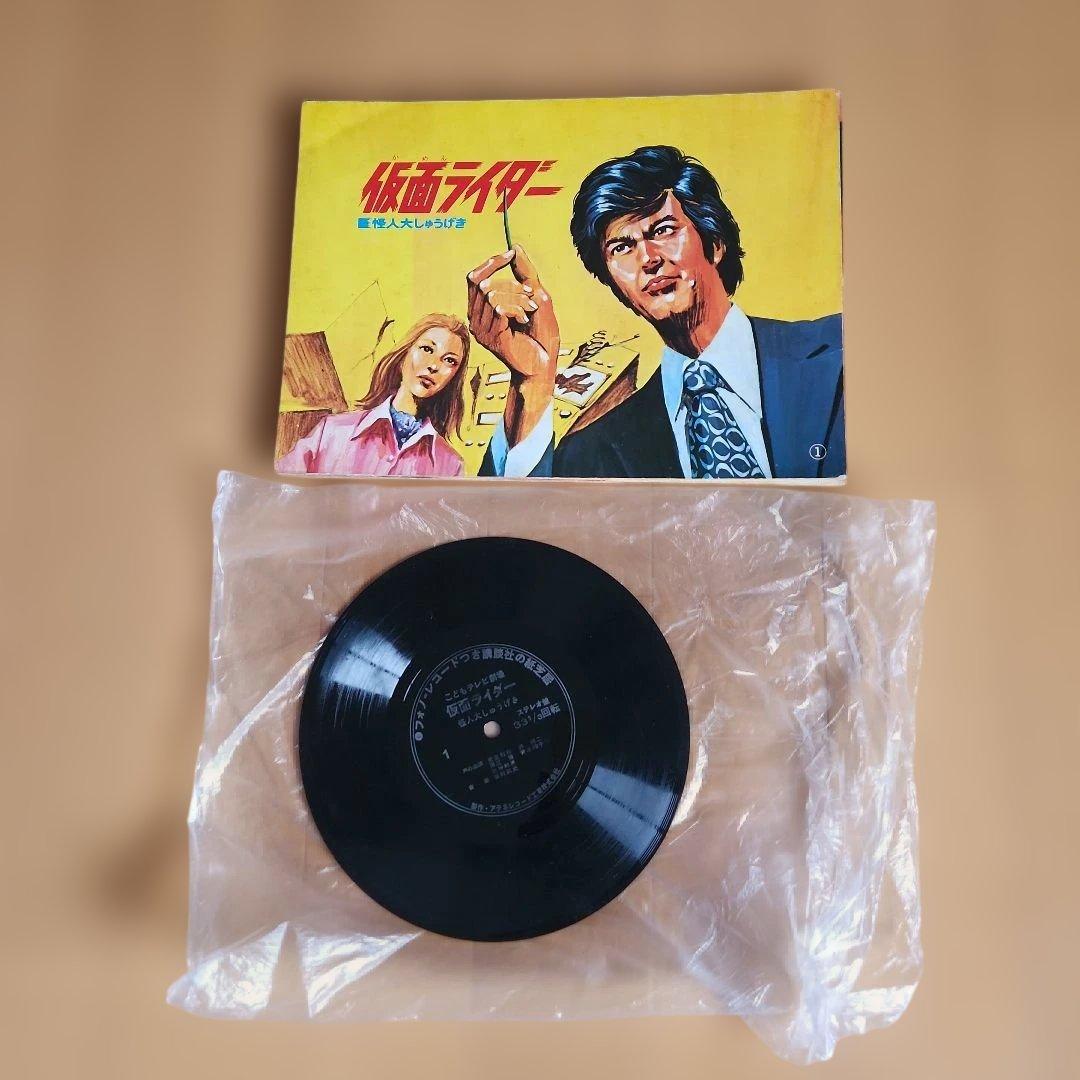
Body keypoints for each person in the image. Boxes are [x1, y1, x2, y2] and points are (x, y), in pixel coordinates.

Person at [468, 145, 845, 479]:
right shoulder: (591, 451)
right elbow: (525, 527)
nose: (647, 259)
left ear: (714, 243)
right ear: (614, 284)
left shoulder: (843, 350)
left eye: (663, 230)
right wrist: (532, 384)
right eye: (621, 248)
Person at [277, 313, 469, 477]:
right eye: (427, 349)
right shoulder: (333, 431)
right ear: (404, 354)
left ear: (454, 377)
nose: (434, 366)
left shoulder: (451, 465)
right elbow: (278, 490)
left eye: (449, 360)